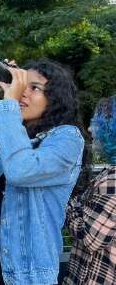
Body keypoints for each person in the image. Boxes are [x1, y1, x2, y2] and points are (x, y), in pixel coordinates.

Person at [0, 59, 84, 284]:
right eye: (21, 85)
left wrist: (9, 104)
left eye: (34, 88)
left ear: (55, 98)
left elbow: (20, 169)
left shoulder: (66, 138)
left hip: (24, 272)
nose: (22, 93)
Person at [64, 96, 116, 285]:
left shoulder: (113, 180)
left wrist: (66, 200)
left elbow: (90, 238)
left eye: (96, 124)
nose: (90, 129)